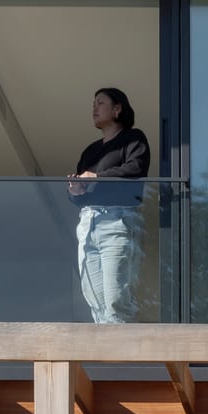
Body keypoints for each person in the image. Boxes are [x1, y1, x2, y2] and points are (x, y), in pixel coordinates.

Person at [69, 87, 149, 324]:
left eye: (100, 102)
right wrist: (75, 190)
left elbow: (135, 169)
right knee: (95, 299)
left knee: (116, 298)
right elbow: (81, 196)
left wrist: (96, 176)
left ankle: (122, 356)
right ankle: (108, 355)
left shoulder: (132, 138)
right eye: (93, 103)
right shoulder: (91, 150)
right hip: (89, 223)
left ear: (117, 109)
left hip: (117, 221)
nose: (94, 107)